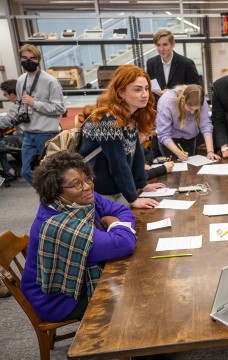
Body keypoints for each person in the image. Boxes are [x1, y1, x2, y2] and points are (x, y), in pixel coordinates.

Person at [20, 151, 137, 322]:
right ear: (56, 190)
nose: (88, 186)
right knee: (134, 294)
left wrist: (114, 225)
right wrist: (112, 223)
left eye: (88, 178)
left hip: (82, 280)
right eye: (76, 184)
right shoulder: (59, 226)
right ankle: (135, 343)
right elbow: (125, 243)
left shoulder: (81, 199)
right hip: (59, 300)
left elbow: (123, 211)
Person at [78, 64, 165, 209]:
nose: (145, 94)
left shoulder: (130, 116)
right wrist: (133, 199)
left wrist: (142, 184)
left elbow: (137, 154)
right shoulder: (108, 121)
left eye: (146, 88)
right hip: (98, 192)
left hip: (116, 188)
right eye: (137, 89)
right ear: (121, 92)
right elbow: (118, 164)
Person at [16, 44, 65, 185]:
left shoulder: (50, 81)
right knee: (26, 171)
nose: (28, 61)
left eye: (32, 58)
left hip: (46, 133)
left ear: (39, 60)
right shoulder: (21, 80)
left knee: (53, 172)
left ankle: (54, 199)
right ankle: (49, 196)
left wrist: (35, 103)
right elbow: (20, 103)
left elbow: (60, 108)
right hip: (28, 133)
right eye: (24, 58)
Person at [155, 84, 220, 161]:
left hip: (190, 138)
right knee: (175, 168)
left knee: (190, 166)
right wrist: (178, 153)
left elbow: (206, 125)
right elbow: (163, 134)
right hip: (170, 141)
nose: (193, 112)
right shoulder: (167, 103)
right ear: (183, 99)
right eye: (190, 108)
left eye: (196, 110)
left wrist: (210, 151)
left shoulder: (200, 100)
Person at [146, 29, 200, 98]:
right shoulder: (151, 63)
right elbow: (149, 87)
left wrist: (173, 92)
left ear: (173, 44)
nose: (161, 49)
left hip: (179, 105)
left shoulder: (186, 64)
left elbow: (195, 88)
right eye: (158, 45)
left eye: (165, 45)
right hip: (159, 106)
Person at [0, 79, 23, 181]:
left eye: (5, 94)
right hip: (24, 136)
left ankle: (9, 171)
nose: (6, 97)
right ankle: (8, 170)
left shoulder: (18, 107)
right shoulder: (24, 102)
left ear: (12, 94)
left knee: (1, 145)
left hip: (22, 138)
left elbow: (4, 123)